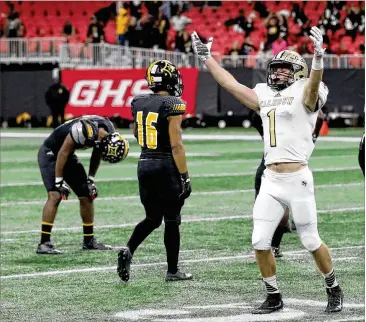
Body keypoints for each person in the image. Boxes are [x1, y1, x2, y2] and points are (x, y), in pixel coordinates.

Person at [191, 26, 343, 314]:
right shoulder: (264, 93)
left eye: (286, 69)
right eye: (277, 69)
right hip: (271, 178)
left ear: (298, 72)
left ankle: (333, 286)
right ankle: (273, 295)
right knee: (260, 241)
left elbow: (312, 89)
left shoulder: (307, 89)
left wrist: (318, 60)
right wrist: (207, 59)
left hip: (297, 177)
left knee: (310, 240)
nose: (279, 73)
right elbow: (232, 86)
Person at [117, 60, 192, 283]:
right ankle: (172, 270)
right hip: (165, 165)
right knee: (171, 219)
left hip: (144, 162)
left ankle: (129, 249)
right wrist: (185, 176)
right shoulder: (172, 103)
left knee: (152, 217)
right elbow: (176, 144)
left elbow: (136, 132)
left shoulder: (139, 101)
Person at [37, 115, 129, 254]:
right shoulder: (83, 130)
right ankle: (44, 243)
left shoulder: (107, 131)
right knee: (55, 195)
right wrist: (59, 181)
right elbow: (62, 153)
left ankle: (89, 241)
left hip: (67, 154)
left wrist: (90, 180)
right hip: (51, 153)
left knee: (87, 194)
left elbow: (96, 154)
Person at [251, 109, 326, 258]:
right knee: (268, 212)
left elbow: (320, 115)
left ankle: (274, 246)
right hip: (272, 164)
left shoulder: (301, 116)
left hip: (292, 166)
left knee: (283, 214)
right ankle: (270, 246)